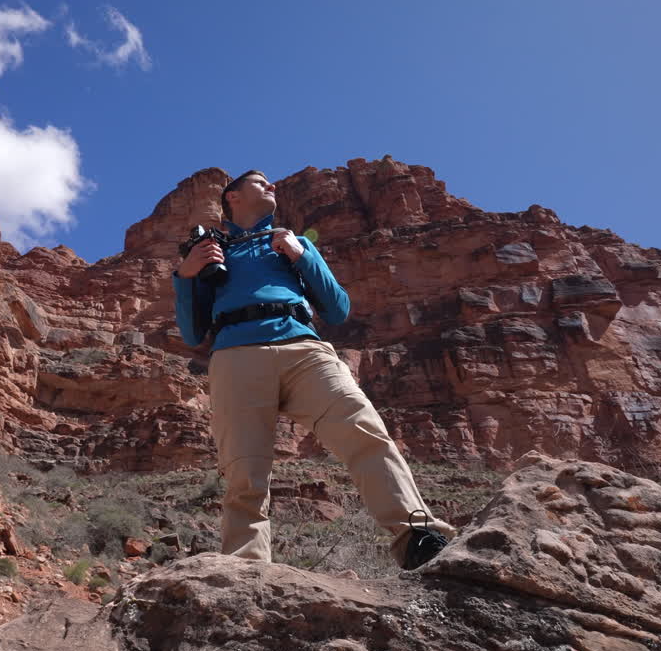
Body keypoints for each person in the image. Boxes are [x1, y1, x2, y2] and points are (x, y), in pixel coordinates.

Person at [172, 170, 456, 570]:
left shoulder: (293, 244)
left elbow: (337, 308)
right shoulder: (210, 256)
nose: (271, 186)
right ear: (232, 197)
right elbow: (190, 332)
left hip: (305, 349)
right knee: (243, 472)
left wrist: (301, 255)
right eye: (259, 182)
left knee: (364, 431)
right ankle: (247, 569)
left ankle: (419, 538)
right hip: (235, 354)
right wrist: (186, 277)